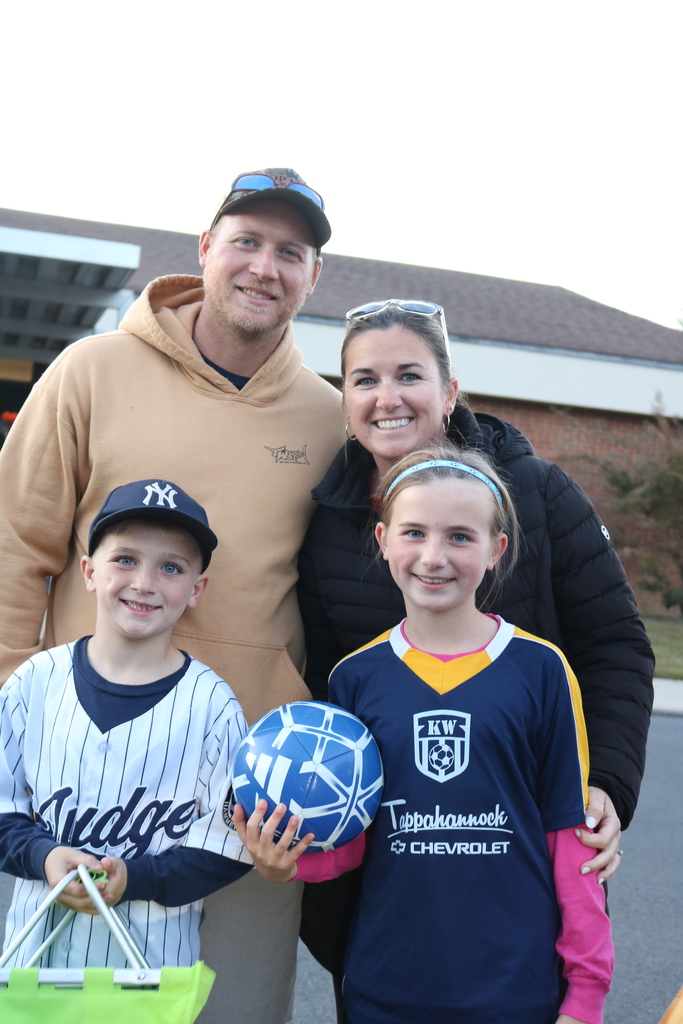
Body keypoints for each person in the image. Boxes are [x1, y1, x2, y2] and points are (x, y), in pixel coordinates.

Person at [0, 169, 342, 1022]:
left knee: (235, 1009)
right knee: (71, 1006)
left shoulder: (328, 418)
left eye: (289, 252)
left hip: (251, 796)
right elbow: (14, 547)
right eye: (246, 242)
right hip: (85, 784)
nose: (264, 267)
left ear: (313, 276)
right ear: (204, 249)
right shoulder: (91, 372)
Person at [296, 299, 653, 998]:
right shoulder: (326, 522)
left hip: (511, 870)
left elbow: (616, 647)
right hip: (391, 889)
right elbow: (321, 689)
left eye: (410, 375)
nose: (387, 398)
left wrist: (606, 782)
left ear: (450, 391)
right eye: (365, 379)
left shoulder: (537, 493)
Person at [237, 446, 615, 1024]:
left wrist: (585, 996)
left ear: (497, 550)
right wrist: (287, 864)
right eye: (414, 532)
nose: (433, 557)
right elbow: (353, 839)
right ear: (384, 540)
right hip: (386, 986)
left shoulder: (542, 669)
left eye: (460, 537)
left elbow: (571, 840)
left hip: (514, 990)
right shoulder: (355, 677)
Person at [0, 479, 252, 968]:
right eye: (125, 559)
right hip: (33, 968)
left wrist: (136, 878)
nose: (144, 583)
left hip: (152, 973)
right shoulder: (35, 681)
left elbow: (229, 844)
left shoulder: (212, 706)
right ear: (89, 572)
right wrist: (43, 856)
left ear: (196, 589)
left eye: (171, 567)